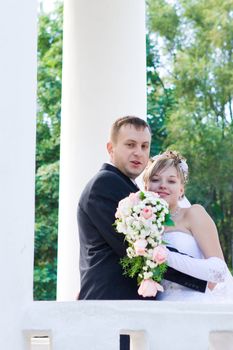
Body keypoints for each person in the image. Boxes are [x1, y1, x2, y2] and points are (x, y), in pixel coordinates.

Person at [77, 116, 207, 301]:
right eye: (130, 145)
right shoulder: (105, 184)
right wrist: (203, 275)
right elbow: (143, 250)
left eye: (144, 146)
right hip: (112, 303)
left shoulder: (128, 188)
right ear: (111, 149)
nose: (138, 152)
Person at [143, 150, 233, 301]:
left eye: (171, 181)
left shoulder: (193, 214)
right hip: (159, 306)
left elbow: (219, 273)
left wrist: (164, 255)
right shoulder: (139, 224)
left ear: (181, 190)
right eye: (156, 179)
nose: (163, 185)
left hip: (195, 303)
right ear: (146, 187)